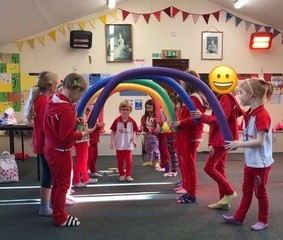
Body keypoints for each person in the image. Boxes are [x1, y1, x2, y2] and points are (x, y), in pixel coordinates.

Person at [44, 72, 96, 227]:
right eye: (80, 95)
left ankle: (56, 211)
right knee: (63, 184)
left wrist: (73, 121)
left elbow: (57, 125)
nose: (79, 98)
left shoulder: (53, 99)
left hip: (51, 148)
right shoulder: (66, 109)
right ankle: (60, 217)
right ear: (74, 90)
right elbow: (66, 136)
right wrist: (84, 133)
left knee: (57, 182)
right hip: (60, 151)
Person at [223, 78, 274, 231]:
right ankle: (239, 217)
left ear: (251, 94)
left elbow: (259, 141)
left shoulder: (262, 115)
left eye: (241, 93)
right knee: (246, 191)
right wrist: (236, 142)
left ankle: (263, 220)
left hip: (261, 163)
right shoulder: (249, 114)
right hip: (250, 162)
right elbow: (246, 136)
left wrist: (238, 144)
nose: (239, 96)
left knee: (260, 192)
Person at [190, 88, 244, 209]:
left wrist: (201, 116)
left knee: (208, 167)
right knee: (219, 168)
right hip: (222, 138)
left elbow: (220, 119)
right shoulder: (223, 97)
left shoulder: (225, 98)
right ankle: (224, 201)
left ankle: (229, 192)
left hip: (221, 139)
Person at [23, 71, 61, 216]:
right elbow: (48, 126)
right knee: (48, 175)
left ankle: (48, 203)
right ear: (52, 86)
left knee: (49, 173)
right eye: (57, 85)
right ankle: (44, 207)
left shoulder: (41, 100)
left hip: (42, 142)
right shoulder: (44, 102)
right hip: (45, 144)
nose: (58, 88)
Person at [171, 70, 208, 203]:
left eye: (182, 82)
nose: (181, 85)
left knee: (189, 165)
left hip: (191, 136)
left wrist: (179, 122)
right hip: (186, 134)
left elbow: (195, 119)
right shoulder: (191, 97)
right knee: (185, 164)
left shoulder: (194, 98)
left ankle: (191, 194)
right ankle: (187, 187)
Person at [110, 100, 138, 182]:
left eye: (127, 109)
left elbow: (134, 131)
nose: (125, 111)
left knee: (129, 161)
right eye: (123, 109)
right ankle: (122, 174)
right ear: (120, 110)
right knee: (120, 161)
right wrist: (111, 142)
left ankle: (128, 175)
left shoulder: (132, 121)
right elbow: (113, 132)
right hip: (119, 144)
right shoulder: (117, 121)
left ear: (130, 110)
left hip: (128, 145)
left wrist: (134, 140)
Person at [72, 113, 100, 188]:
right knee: (80, 161)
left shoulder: (82, 114)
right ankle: (76, 180)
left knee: (84, 160)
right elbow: (82, 131)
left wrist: (87, 140)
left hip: (84, 140)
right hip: (80, 141)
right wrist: (95, 127)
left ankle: (85, 177)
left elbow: (85, 131)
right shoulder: (78, 115)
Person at [140, 99, 161, 168]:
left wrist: (153, 131)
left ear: (154, 108)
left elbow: (157, 126)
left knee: (155, 149)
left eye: (150, 107)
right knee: (148, 149)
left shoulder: (156, 117)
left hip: (153, 136)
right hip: (146, 136)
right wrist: (142, 128)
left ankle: (157, 161)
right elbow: (142, 125)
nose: (148, 109)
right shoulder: (144, 117)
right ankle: (149, 160)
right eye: (146, 108)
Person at [87, 105, 105, 178]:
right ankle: (86, 171)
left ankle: (93, 171)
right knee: (90, 157)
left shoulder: (96, 116)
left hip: (95, 139)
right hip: (89, 140)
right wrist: (98, 126)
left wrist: (100, 126)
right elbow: (88, 126)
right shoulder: (87, 116)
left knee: (94, 156)